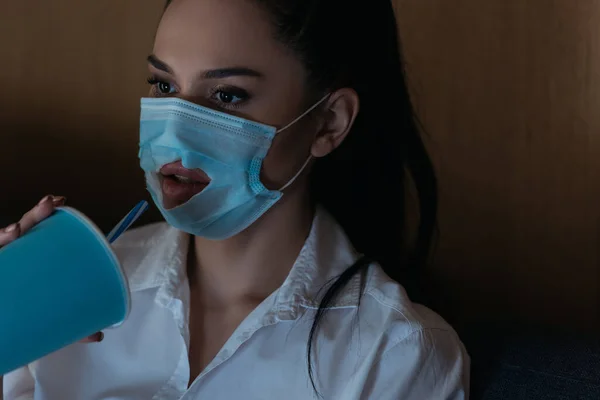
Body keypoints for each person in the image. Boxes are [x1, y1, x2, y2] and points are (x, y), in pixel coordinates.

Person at [1, 0, 470, 398]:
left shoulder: (394, 353)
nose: (176, 128)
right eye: (164, 86)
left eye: (227, 95)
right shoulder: (70, 293)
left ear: (329, 121)